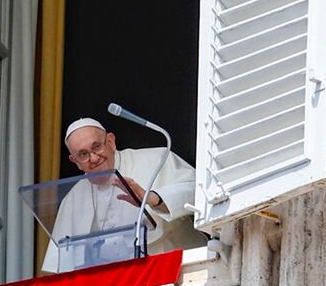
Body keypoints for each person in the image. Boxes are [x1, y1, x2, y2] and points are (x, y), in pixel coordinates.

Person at [41, 117, 207, 273]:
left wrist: (154, 198)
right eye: (83, 154)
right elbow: (60, 265)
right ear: (75, 161)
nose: (93, 158)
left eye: (96, 146)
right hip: (118, 285)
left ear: (111, 142)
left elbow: (200, 192)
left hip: (179, 269)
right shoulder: (73, 198)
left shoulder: (157, 159)